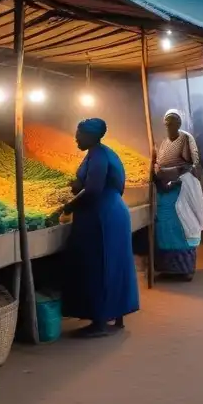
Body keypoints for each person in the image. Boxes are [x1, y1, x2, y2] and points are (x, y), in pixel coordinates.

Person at [62, 118, 139, 338]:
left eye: (79, 134)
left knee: (100, 265)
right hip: (111, 211)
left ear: (91, 136)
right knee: (114, 264)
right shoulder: (103, 153)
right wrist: (78, 186)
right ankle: (117, 316)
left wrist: (68, 206)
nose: (76, 137)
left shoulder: (98, 155)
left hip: (102, 216)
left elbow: (94, 189)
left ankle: (99, 323)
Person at [153, 109, 203, 280]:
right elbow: (159, 164)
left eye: (174, 121)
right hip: (165, 191)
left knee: (184, 225)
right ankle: (167, 269)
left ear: (180, 123)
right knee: (164, 227)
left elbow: (192, 164)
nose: (170, 125)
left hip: (182, 187)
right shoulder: (164, 142)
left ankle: (185, 269)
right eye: (167, 122)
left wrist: (172, 176)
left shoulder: (186, 138)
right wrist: (160, 175)